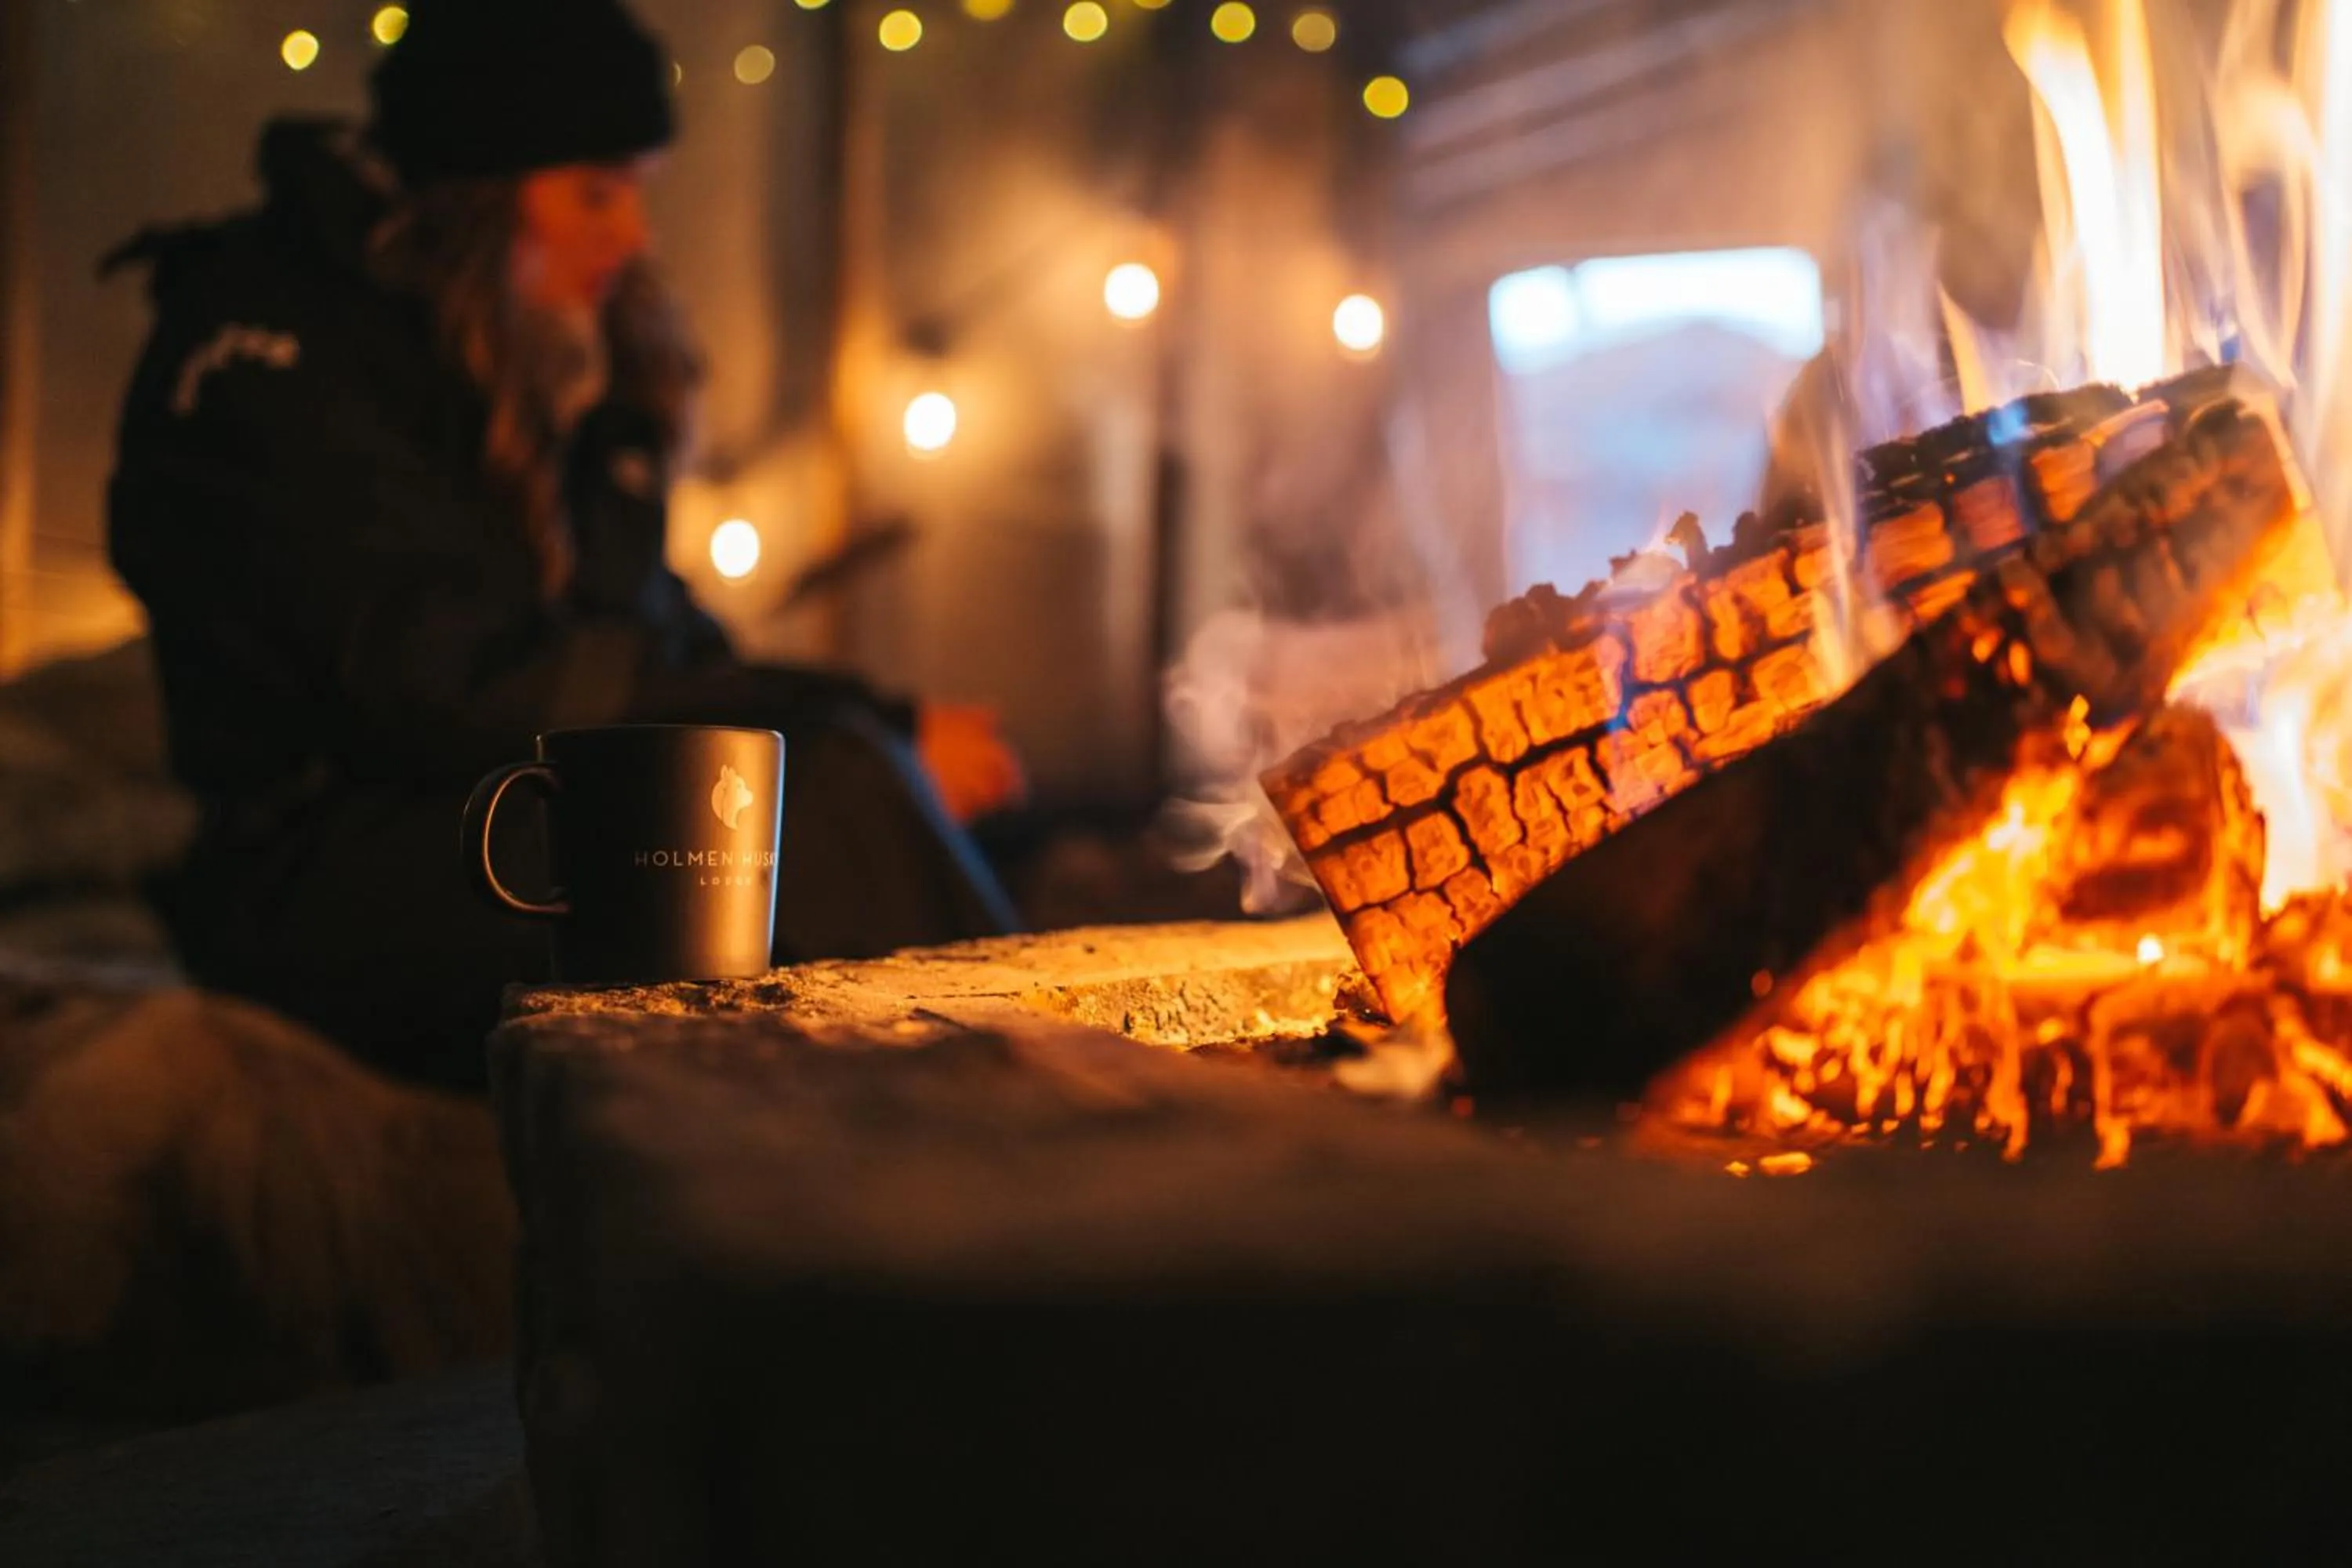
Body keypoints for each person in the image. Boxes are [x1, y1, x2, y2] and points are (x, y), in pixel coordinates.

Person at [104, 0, 1023, 1090]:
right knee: (815, 810)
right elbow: (450, 691)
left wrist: (879, 719)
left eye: (638, 189)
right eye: (597, 190)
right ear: (482, 189)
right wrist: (847, 737)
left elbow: (651, 631)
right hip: (324, 870)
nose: (632, 233)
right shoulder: (277, 353)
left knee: (848, 783)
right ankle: (1012, 1139)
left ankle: (978, 1126)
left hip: (501, 798)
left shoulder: (533, 349)